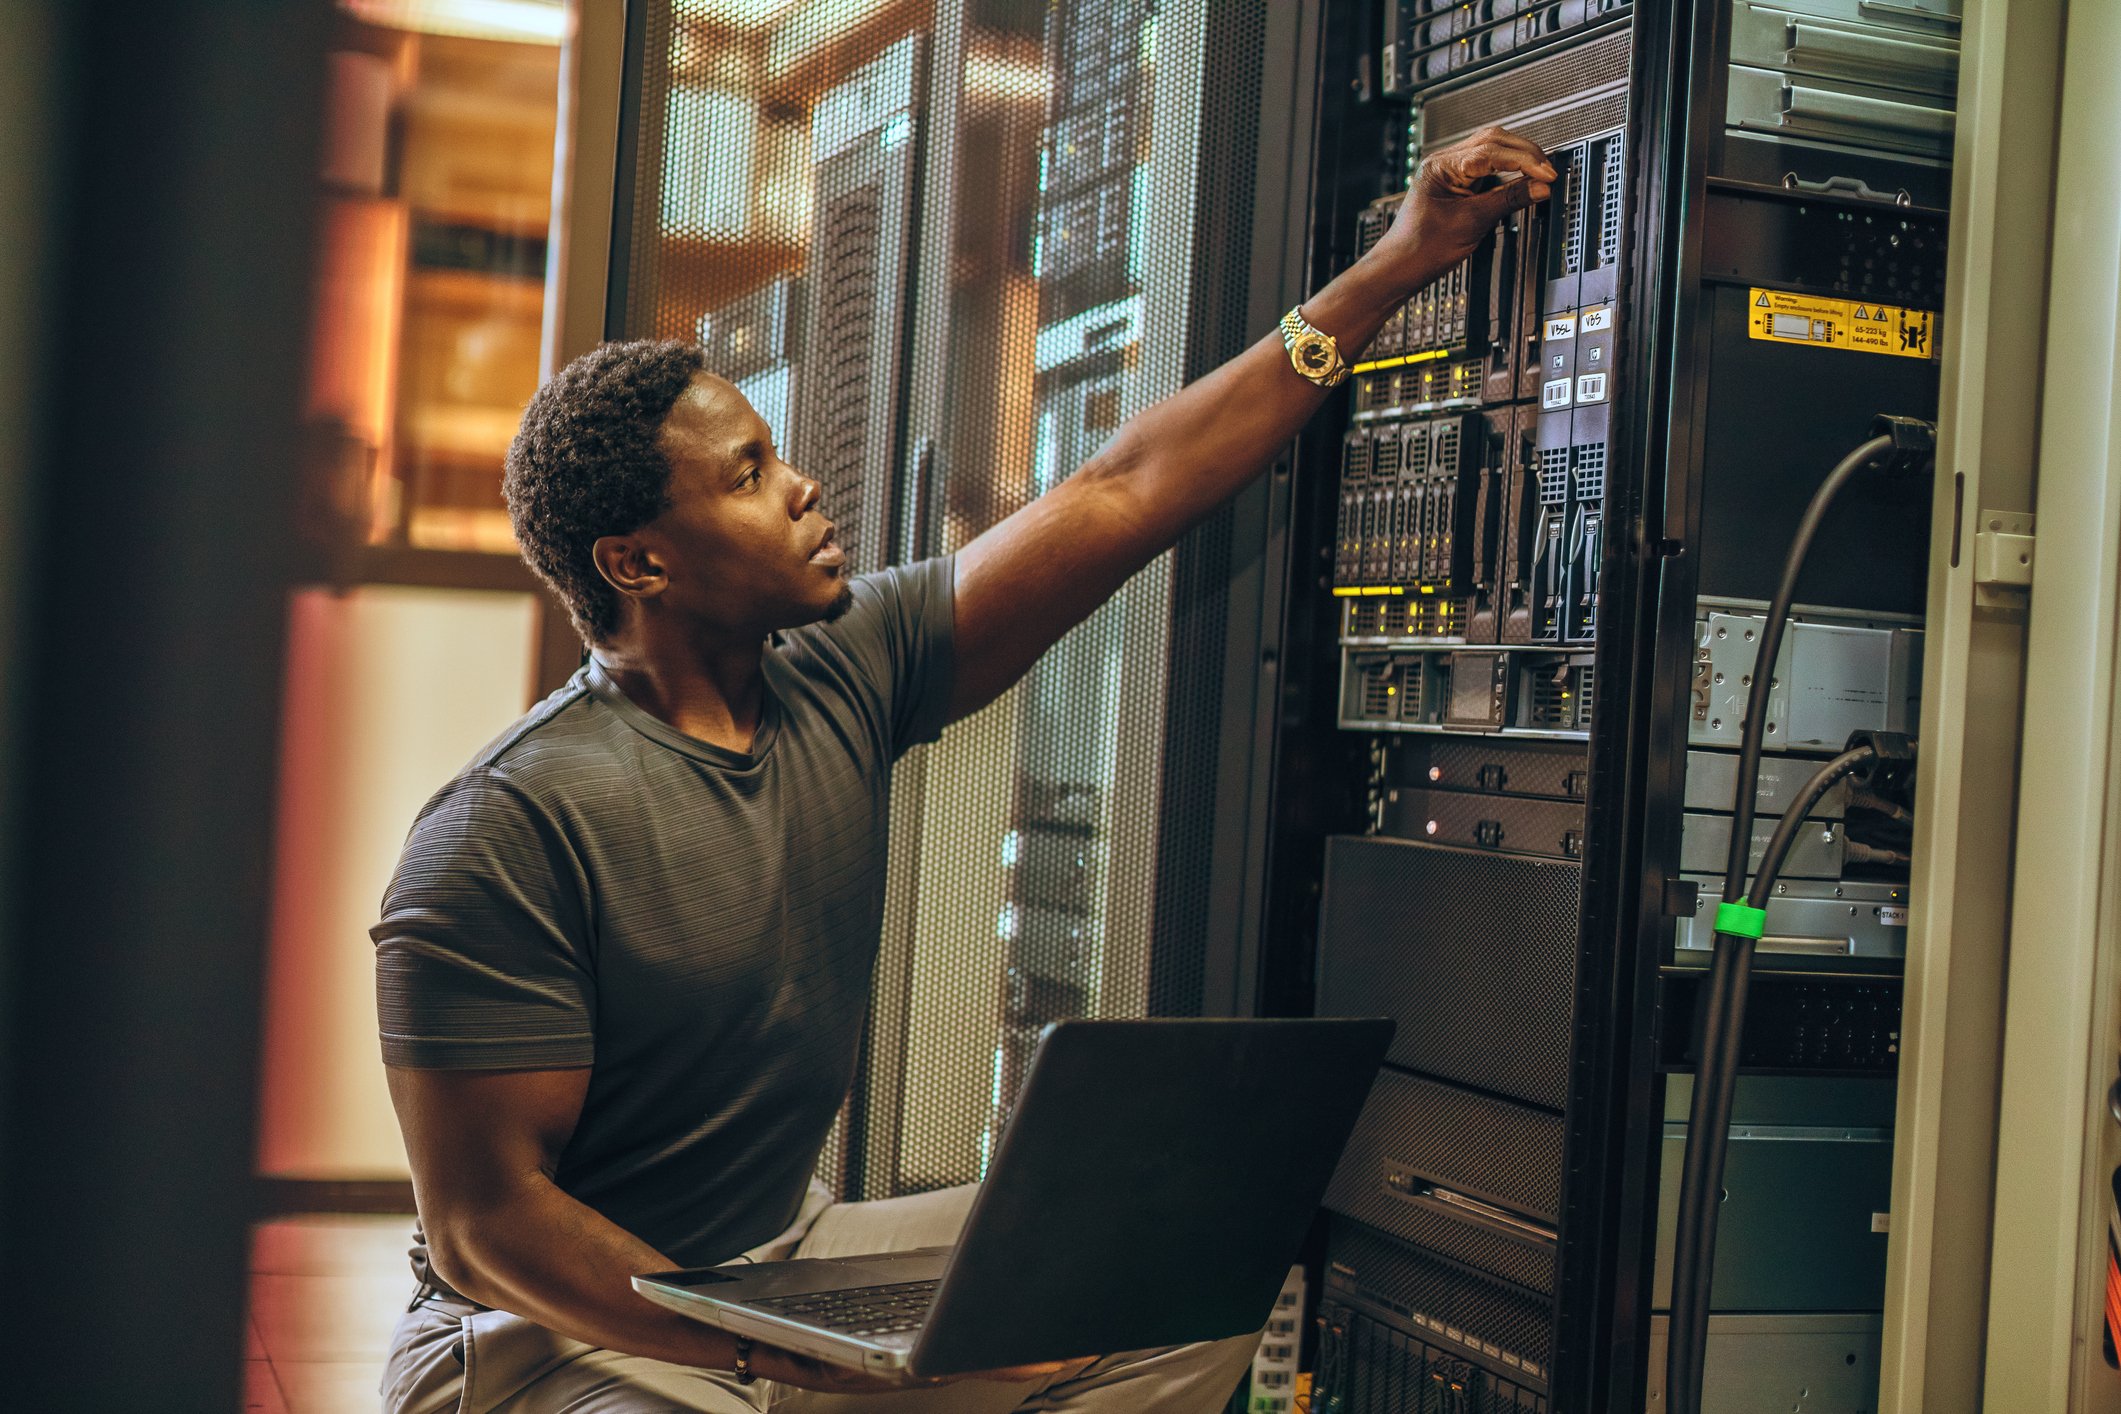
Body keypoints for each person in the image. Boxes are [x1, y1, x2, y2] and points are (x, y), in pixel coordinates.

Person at [375, 125, 1555, 1414]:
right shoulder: (508, 830)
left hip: (775, 1269)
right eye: (752, 476)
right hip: (559, 1339)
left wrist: (1401, 260)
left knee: (1174, 1294)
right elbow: (492, 1228)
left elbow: (1124, 488)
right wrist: (778, 1354)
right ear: (636, 563)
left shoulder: (846, 667)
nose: (807, 488)